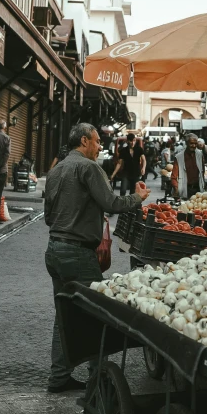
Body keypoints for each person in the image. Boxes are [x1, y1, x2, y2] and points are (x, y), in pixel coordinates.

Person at [44, 123, 151, 393]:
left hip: (54, 249)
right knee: (97, 314)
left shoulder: (56, 170)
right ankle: (99, 380)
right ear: (84, 141)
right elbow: (112, 204)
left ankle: (59, 377)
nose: (100, 146)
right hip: (77, 253)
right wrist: (137, 198)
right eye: (96, 141)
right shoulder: (89, 167)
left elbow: (49, 215)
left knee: (63, 314)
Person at [171, 134, 205, 199]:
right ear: (186, 143)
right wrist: (176, 189)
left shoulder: (200, 154)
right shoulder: (179, 157)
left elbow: (202, 171)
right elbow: (173, 177)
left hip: (198, 189)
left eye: (195, 144)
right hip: (185, 189)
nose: (194, 146)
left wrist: (203, 185)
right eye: (191, 143)